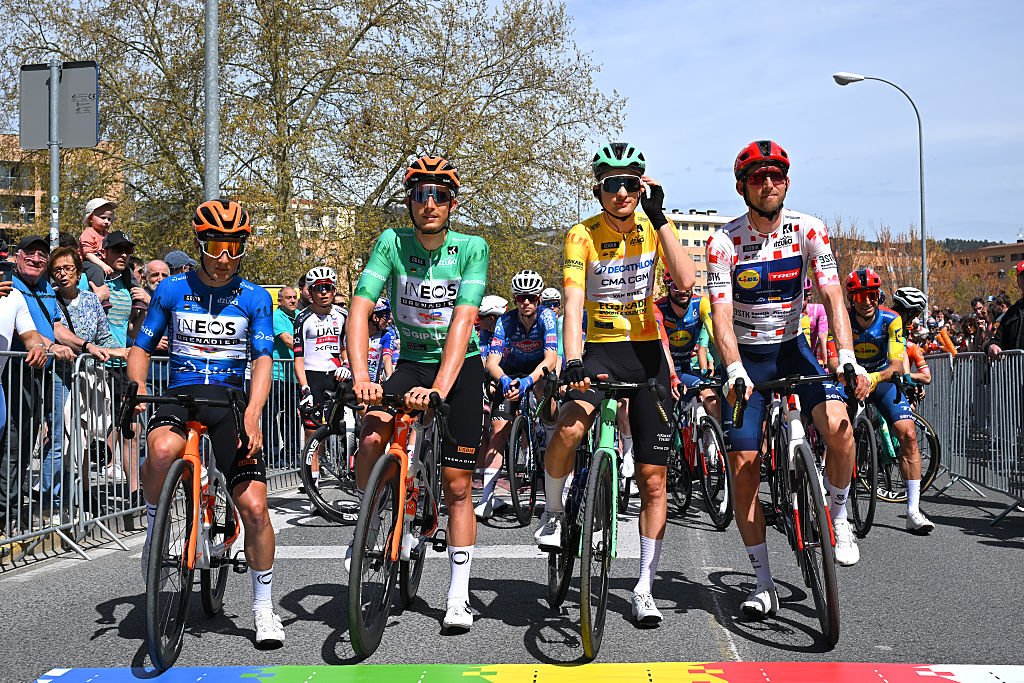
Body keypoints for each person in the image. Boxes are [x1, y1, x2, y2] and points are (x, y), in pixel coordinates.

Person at [705, 140, 870, 620]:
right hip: (747, 359)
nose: (768, 183)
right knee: (743, 468)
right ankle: (762, 581)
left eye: (776, 175)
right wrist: (732, 368)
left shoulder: (809, 229)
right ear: (743, 187)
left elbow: (833, 294)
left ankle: (838, 518)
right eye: (757, 177)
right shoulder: (723, 242)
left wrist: (846, 356)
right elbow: (718, 314)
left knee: (839, 429)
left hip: (791, 348)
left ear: (787, 182)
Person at [538, 141, 693, 626]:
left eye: (631, 182)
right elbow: (572, 300)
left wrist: (662, 217)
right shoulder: (580, 235)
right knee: (568, 428)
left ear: (641, 185)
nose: (622, 191)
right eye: (612, 183)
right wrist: (573, 358)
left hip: (647, 355)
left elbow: (685, 283)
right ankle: (556, 509)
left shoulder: (653, 226)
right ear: (598, 189)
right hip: (599, 349)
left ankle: (644, 585)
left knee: (653, 479)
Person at [129, 198, 284, 646]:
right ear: (200, 243)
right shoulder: (172, 289)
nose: (224, 257)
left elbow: (261, 359)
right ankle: (157, 529)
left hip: (230, 401)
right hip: (181, 394)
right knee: (160, 450)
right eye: (216, 245)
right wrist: (137, 386)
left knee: (255, 508)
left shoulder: (256, 297)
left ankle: (262, 606)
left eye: (234, 246)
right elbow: (141, 346)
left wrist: (254, 414)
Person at [347, 155, 488, 632]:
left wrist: (438, 391)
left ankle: (456, 596)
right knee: (371, 437)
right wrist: (362, 375)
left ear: (452, 203)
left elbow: (463, 321)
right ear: (409, 201)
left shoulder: (472, 247)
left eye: (441, 195)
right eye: (421, 194)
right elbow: (360, 311)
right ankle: (370, 522)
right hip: (409, 362)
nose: (430, 203)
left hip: (460, 367)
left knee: (456, 486)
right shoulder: (392, 241)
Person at [826, 270, 934, 534]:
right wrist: (853, 378)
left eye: (872, 295)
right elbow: (831, 361)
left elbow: (896, 365)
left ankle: (913, 512)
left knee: (908, 434)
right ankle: (833, 508)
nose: (867, 301)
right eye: (861, 296)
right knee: (838, 437)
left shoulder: (891, 319)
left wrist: (870, 379)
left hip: (882, 378)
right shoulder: (840, 319)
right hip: (849, 379)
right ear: (851, 298)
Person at [0, 236, 76, 532]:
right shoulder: (13, 287)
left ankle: (9, 512)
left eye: (41, 255)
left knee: (18, 445)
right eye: (28, 254)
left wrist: (42, 348)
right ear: (16, 259)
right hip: (13, 375)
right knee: (12, 444)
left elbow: (33, 334)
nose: (35, 258)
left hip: (27, 374)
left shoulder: (23, 295)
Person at [47, 248, 126, 507]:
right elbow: (58, 333)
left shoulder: (92, 301)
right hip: (61, 377)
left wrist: (122, 352)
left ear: (78, 272)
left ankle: (79, 495)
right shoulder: (51, 300)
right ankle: (54, 499)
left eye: (68, 268)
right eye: (57, 270)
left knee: (86, 438)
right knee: (64, 438)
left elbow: (104, 336)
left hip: (90, 377)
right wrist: (88, 347)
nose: (62, 274)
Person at [479, 270, 558, 518]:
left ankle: (550, 434)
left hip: (538, 373)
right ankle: (486, 498)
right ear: (514, 299)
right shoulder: (506, 321)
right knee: (498, 433)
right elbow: (492, 362)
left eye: (531, 298)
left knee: (543, 391)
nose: (526, 302)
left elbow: (551, 359)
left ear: (539, 300)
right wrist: (503, 380)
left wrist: (528, 381)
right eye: (521, 297)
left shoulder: (547, 318)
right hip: (511, 372)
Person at [293, 266, 349, 500]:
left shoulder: (343, 316)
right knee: (312, 434)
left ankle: (355, 473)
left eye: (328, 288)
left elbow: (346, 348)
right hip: (312, 377)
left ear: (334, 290)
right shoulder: (302, 318)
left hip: (337, 377)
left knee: (343, 427)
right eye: (318, 289)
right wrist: (304, 387)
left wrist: (346, 365)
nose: (324, 293)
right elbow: (298, 357)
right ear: (310, 292)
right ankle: (313, 489)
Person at [268, 286, 299, 466]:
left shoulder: (299, 316)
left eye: (295, 297)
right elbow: (288, 341)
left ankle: (291, 453)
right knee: (271, 417)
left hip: (293, 378)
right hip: (276, 376)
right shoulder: (276, 316)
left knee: (292, 419)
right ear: (280, 301)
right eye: (288, 298)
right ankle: (272, 455)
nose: (293, 300)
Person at [890, 286, 932, 387]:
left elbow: (902, 351)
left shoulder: (902, 326)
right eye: (914, 315)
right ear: (908, 311)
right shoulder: (888, 319)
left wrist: (907, 378)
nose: (912, 320)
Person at [986, 260, 1024, 357]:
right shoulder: (1013, 312)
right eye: (1023, 276)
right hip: (1016, 370)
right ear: (1018, 281)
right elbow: (999, 339)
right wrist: (992, 346)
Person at [79, 198, 117, 277]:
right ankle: (98, 287)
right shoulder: (88, 234)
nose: (107, 222)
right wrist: (103, 265)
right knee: (96, 269)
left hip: (103, 262)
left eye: (109, 219)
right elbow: (88, 254)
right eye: (103, 218)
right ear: (90, 218)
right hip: (88, 263)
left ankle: (133, 287)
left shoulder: (108, 235)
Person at [367, 299, 395, 383]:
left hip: (373, 383)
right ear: (375, 318)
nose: (388, 321)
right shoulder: (355, 333)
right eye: (386, 317)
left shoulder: (387, 335)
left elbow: (387, 357)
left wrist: (390, 380)